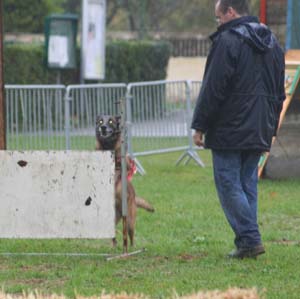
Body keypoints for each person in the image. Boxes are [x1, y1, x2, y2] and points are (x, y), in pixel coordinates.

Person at [191, 0, 285, 259]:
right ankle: (247, 242)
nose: (218, 23)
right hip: (259, 126)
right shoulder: (272, 42)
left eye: (218, 18)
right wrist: (272, 124)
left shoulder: (227, 41)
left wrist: (200, 125)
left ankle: (250, 239)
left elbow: (214, 87)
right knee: (246, 184)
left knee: (228, 183)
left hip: (229, 127)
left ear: (230, 13)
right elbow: (280, 90)